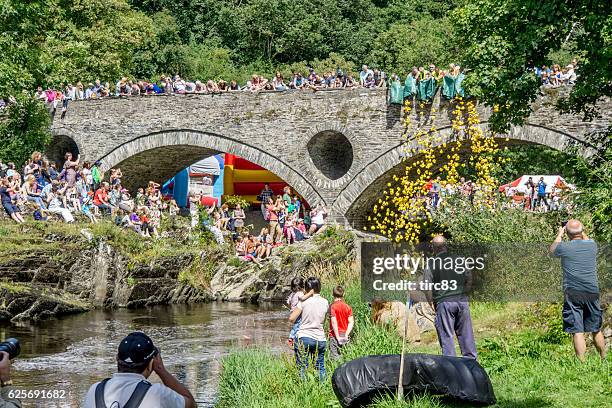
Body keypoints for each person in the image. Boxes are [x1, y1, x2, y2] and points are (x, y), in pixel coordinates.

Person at [83, 332, 196, 408]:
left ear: (117, 358)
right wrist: (161, 370)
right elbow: (191, 404)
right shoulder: (157, 393)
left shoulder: (94, 390)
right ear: (151, 363)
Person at [549, 220, 605, 361]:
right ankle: (604, 358)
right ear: (582, 231)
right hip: (592, 292)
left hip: (573, 292)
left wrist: (561, 233)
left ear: (567, 233)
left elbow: (551, 251)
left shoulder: (564, 248)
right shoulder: (592, 246)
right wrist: (578, 230)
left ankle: (581, 363)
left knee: (577, 330)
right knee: (596, 328)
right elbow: (586, 239)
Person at [423, 235, 477, 359]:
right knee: (467, 335)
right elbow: (469, 277)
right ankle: (472, 366)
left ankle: (451, 368)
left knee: (447, 338)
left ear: (433, 248)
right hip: (461, 300)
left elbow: (427, 287)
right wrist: (465, 292)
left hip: (444, 303)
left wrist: (431, 303)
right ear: (445, 246)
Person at [289, 276, 329, 381]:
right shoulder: (325, 302)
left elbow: (292, 318)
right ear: (319, 287)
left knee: (302, 367)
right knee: (320, 367)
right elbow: (323, 320)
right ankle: (322, 387)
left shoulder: (303, 302)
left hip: (304, 337)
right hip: (320, 338)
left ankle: (303, 388)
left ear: (306, 288)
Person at [329, 285, 354, 360]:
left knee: (334, 357)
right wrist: (346, 334)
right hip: (345, 334)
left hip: (334, 335)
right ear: (343, 294)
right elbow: (351, 322)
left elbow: (334, 322)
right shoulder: (347, 307)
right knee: (346, 357)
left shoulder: (332, 307)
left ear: (333, 294)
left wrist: (337, 337)